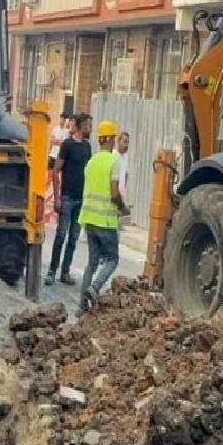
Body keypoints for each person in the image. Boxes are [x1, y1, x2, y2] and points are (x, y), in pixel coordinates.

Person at [78, 120, 128, 311]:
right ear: (111, 139)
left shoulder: (91, 162)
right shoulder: (113, 161)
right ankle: (95, 287)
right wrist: (123, 209)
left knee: (91, 263)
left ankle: (82, 306)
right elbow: (114, 193)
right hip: (105, 221)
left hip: (89, 220)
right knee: (112, 259)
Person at [45, 112, 92, 286]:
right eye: (88, 126)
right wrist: (57, 197)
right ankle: (51, 271)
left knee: (73, 238)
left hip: (81, 200)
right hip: (67, 198)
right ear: (80, 126)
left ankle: (65, 271)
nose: (90, 129)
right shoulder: (67, 145)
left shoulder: (87, 147)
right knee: (61, 235)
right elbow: (56, 170)